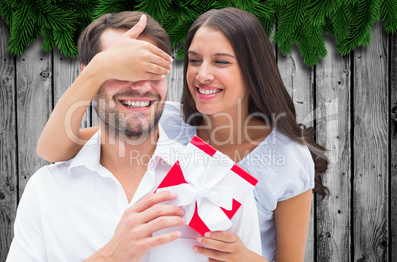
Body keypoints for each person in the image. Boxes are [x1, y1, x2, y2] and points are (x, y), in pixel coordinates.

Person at [36, 7, 328, 262]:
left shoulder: (288, 157)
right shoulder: (168, 122)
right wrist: (96, 70)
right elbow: (54, 149)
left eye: (221, 61)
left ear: (253, 70)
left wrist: (244, 257)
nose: (202, 75)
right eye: (195, 60)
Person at [7, 11, 262, 262]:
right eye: (121, 69)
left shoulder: (218, 182)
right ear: (89, 75)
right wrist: (111, 257)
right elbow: (51, 147)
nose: (141, 86)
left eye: (152, 70)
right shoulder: (46, 191)